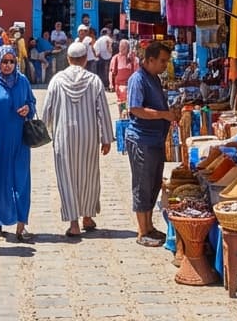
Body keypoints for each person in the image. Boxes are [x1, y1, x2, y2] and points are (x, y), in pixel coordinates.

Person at [41, 40, 113, 239]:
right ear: (84, 60)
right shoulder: (94, 81)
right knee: (89, 175)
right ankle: (87, 217)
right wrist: (106, 138)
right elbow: (103, 112)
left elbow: (47, 109)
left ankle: (74, 223)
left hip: (63, 137)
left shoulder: (57, 80)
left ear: (68, 59)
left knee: (67, 177)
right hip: (89, 136)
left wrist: (43, 130)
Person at [125, 40, 181, 247]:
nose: (165, 66)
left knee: (154, 183)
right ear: (150, 60)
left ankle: (149, 226)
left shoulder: (154, 78)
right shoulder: (137, 79)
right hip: (142, 140)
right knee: (142, 184)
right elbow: (135, 109)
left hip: (155, 140)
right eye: (162, 61)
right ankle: (142, 231)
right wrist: (164, 115)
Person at [0, 44, 36, 241]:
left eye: (12, 61)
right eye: (4, 61)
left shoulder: (22, 81)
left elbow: (32, 102)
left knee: (21, 181)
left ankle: (22, 224)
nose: (8, 65)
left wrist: (27, 109)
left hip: (20, 142)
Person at [110, 39, 139, 113]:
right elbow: (111, 72)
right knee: (122, 104)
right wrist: (111, 84)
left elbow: (137, 72)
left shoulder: (133, 59)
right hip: (119, 86)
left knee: (130, 105)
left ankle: (127, 117)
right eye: (120, 47)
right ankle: (123, 118)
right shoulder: (115, 58)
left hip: (130, 86)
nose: (121, 49)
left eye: (124, 47)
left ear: (128, 48)